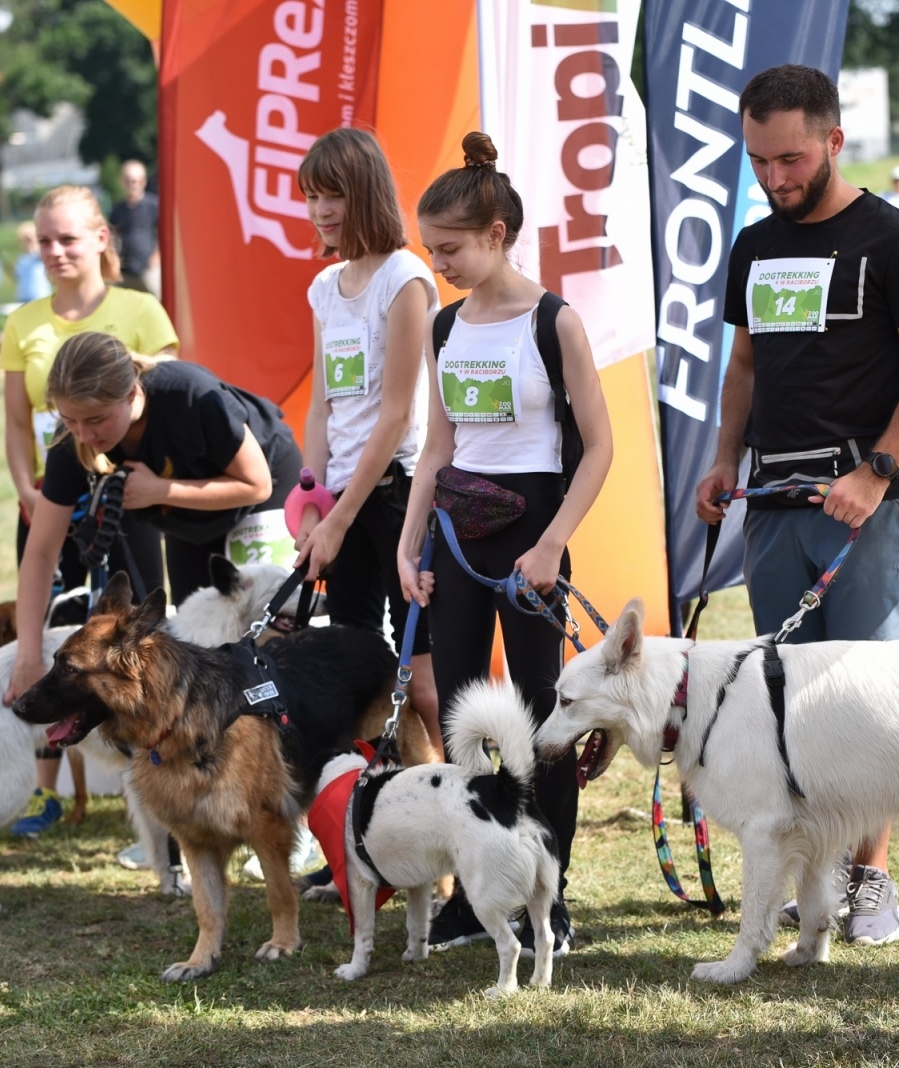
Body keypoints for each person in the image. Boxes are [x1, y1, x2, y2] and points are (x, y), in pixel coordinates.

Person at [691, 64, 899, 947]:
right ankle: (817, 878)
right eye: (759, 160)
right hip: (772, 504)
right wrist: (724, 459)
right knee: (787, 698)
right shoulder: (754, 245)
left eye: (792, 158)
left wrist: (878, 472)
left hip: (866, 509)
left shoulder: (895, 242)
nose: (775, 177)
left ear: (834, 141)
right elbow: (748, 367)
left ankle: (871, 880)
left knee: (860, 700)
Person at [397, 131, 614, 957]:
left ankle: (546, 895)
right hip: (455, 536)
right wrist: (410, 543)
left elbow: (598, 447)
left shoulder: (556, 323)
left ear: (497, 234)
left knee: (539, 723)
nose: (440, 263)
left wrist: (553, 543)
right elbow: (438, 447)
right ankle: (469, 896)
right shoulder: (446, 327)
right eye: (430, 250)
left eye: (450, 248)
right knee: (457, 718)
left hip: (533, 536)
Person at [0, 184, 177, 835]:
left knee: (129, 642)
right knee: (53, 634)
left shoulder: (142, 309)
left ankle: (153, 792)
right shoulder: (24, 322)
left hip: (130, 499)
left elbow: (165, 413)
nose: (54, 250)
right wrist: (29, 491)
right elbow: (19, 427)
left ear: (101, 238)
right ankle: (45, 790)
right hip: (56, 496)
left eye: (67, 237)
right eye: (44, 239)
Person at [5, 332, 302, 703]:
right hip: (188, 509)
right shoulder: (76, 436)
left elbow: (254, 484)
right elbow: (41, 552)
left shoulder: (189, 396)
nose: (83, 434)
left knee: (264, 632)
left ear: (131, 393)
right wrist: (28, 657)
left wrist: (161, 491)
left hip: (260, 486)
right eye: (70, 420)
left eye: (96, 420)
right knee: (198, 642)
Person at [294, 128, 440, 759]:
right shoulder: (325, 289)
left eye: (335, 195)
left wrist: (340, 517)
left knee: (426, 668)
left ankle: (465, 793)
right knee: (352, 662)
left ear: (367, 196)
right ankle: (367, 819)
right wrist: (311, 505)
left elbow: (397, 414)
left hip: (401, 494)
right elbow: (323, 407)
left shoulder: (405, 278)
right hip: (341, 505)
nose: (322, 211)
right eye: (311, 197)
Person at [109, 160, 160, 296]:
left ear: (143, 181)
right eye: (128, 181)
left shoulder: (154, 206)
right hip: (126, 271)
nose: (132, 185)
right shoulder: (117, 210)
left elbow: (164, 234)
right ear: (122, 182)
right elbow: (112, 237)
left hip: (149, 269)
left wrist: (156, 256)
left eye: (135, 181)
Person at [14, 220, 52, 303]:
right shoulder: (21, 259)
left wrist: (34, 241)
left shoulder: (39, 254)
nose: (26, 241)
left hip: (39, 296)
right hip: (23, 297)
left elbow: (37, 253)